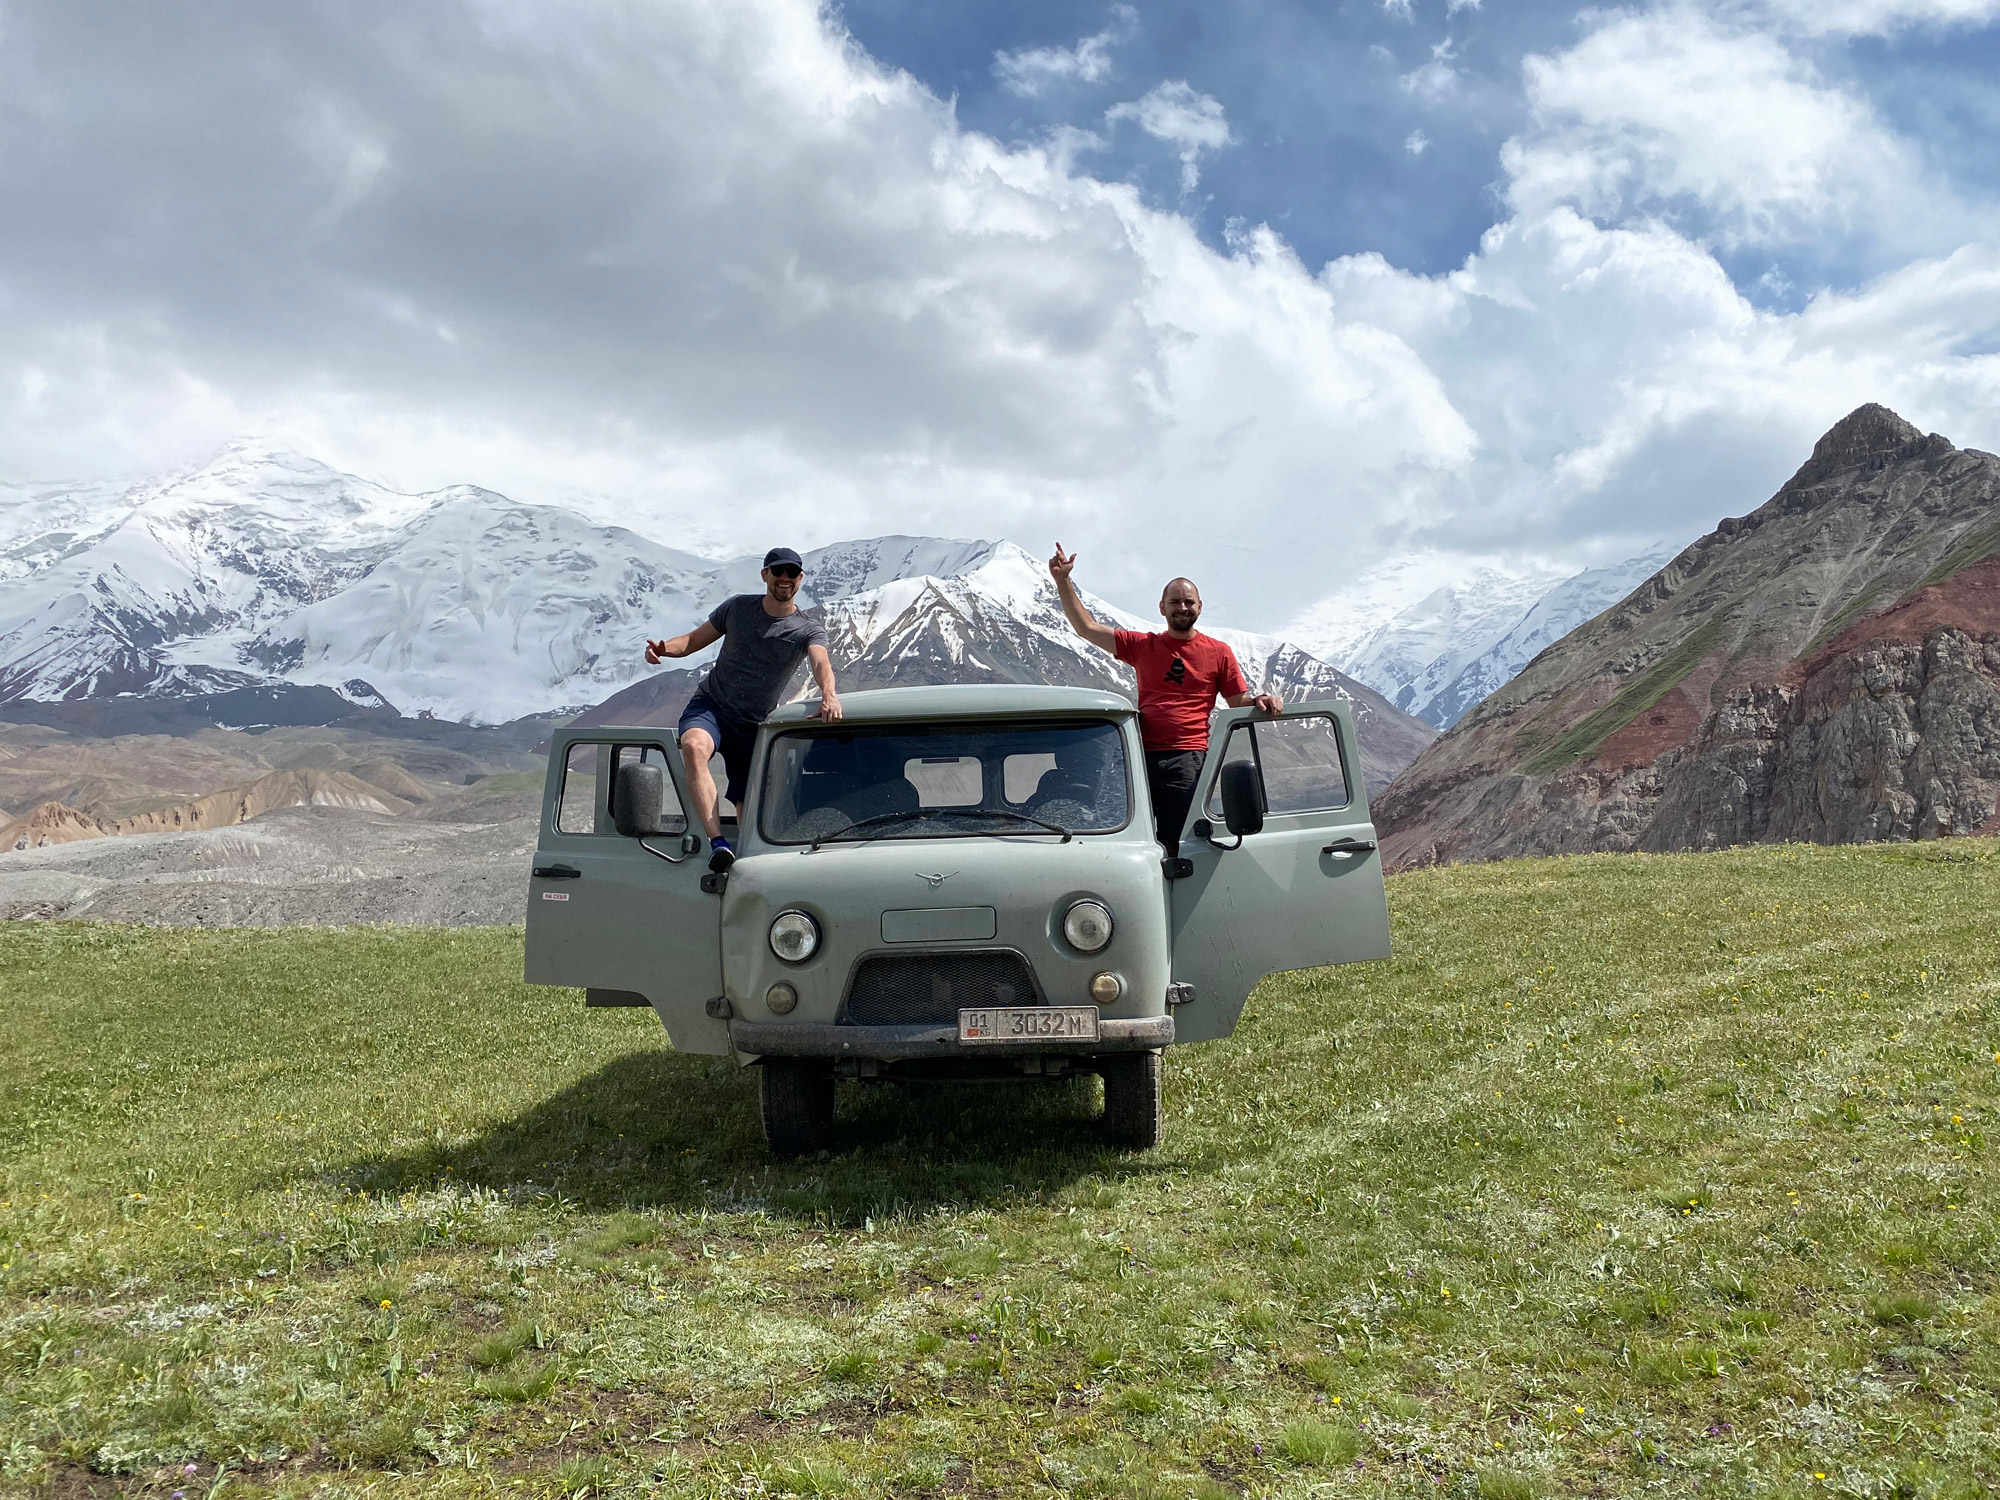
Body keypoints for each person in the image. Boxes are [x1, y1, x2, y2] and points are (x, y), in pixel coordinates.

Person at [1048, 545, 1281, 848]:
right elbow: (1087, 628)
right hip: (1137, 757)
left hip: (1187, 758)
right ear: (1162, 607)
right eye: (1175, 602)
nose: (1182, 607)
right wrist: (1062, 581)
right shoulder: (1143, 646)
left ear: (1200, 607)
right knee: (1129, 838)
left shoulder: (1218, 652)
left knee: (1178, 841)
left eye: (1188, 602)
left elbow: (1238, 702)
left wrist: (1261, 700)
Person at [646, 546, 842, 871]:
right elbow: (693, 641)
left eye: (791, 573)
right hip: (711, 706)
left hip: (754, 725)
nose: (784, 579)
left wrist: (829, 695)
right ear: (765, 574)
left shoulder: (808, 628)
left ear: (800, 579)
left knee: (748, 804)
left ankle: (748, 863)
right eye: (778, 571)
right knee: (694, 747)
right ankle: (717, 843)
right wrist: (664, 649)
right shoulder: (737, 608)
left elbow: (821, 662)